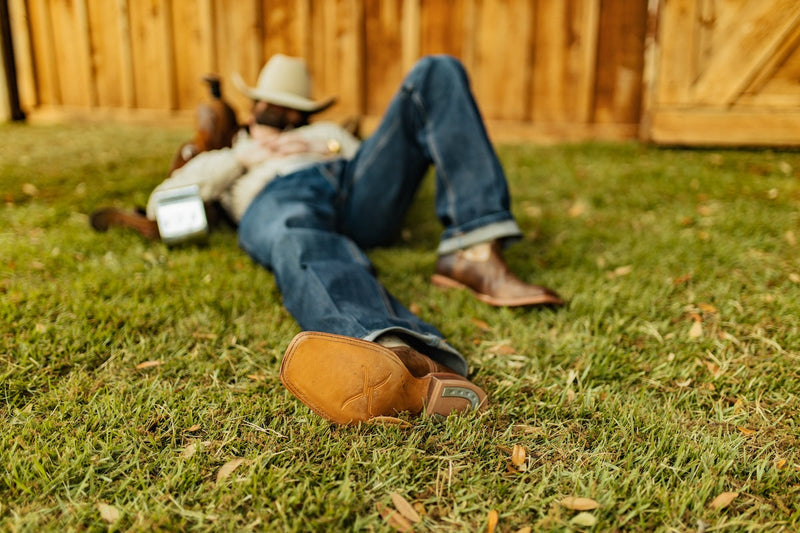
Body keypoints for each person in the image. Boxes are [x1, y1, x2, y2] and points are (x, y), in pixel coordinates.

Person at [113, 54, 565, 425]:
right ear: (253, 111)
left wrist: (320, 146)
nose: (289, 119)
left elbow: (381, 153)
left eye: (298, 112)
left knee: (436, 71)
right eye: (276, 110)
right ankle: (393, 353)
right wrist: (246, 158)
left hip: (353, 190)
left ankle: (476, 249)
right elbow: (163, 202)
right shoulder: (228, 154)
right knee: (302, 241)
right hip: (277, 199)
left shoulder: (326, 134)